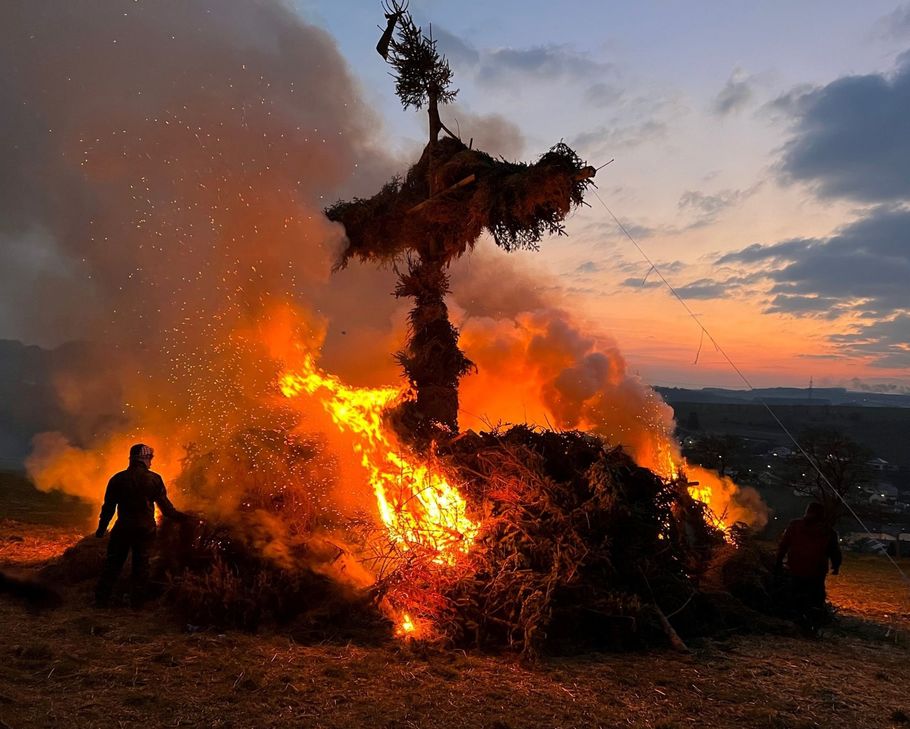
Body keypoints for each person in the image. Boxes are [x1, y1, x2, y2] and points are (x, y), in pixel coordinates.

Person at [94, 443, 185, 607]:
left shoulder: (117, 479)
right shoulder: (154, 479)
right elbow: (167, 511)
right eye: (150, 459)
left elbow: (108, 508)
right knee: (141, 566)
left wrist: (101, 529)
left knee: (113, 564)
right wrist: (187, 519)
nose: (151, 462)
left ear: (131, 459)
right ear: (145, 459)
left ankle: (101, 600)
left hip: (123, 528)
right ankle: (137, 603)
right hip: (145, 530)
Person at [775, 501, 842, 629]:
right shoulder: (828, 531)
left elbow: (783, 545)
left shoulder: (794, 525)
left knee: (796, 594)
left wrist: (778, 561)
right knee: (816, 597)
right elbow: (835, 551)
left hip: (796, 567)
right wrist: (836, 565)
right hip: (816, 571)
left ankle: (796, 620)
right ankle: (811, 623)